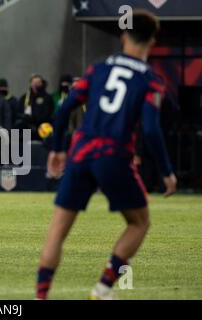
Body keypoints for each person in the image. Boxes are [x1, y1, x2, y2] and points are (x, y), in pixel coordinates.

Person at [36, 10, 177, 300]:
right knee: (139, 223)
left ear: (124, 37)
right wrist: (166, 171)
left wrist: (57, 148)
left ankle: (40, 296)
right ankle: (102, 289)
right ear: (152, 41)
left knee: (57, 230)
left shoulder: (98, 69)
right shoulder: (152, 81)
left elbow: (65, 108)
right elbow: (151, 129)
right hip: (113, 155)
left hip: (81, 152)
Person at [16, 74, 54, 140]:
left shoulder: (47, 97)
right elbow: (19, 111)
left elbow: (48, 113)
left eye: (38, 82)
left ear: (41, 83)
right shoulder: (25, 97)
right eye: (34, 82)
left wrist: (35, 119)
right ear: (30, 83)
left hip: (42, 128)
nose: (35, 85)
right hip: (27, 128)